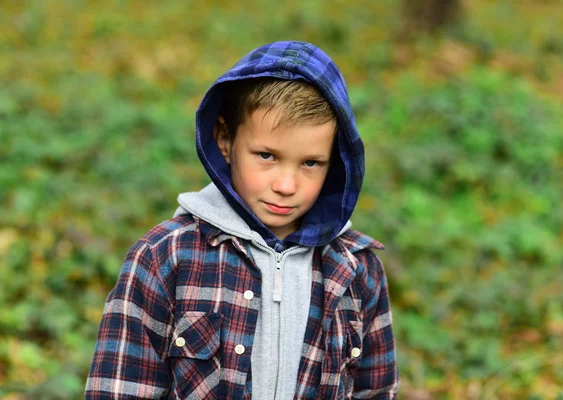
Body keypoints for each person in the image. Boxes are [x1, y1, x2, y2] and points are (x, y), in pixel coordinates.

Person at [85, 41, 399, 399]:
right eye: (266, 155)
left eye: (311, 163)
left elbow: (376, 391)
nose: (286, 185)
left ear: (337, 162)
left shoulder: (358, 270)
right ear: (224, 139)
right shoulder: (163, 258)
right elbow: (119, 389)